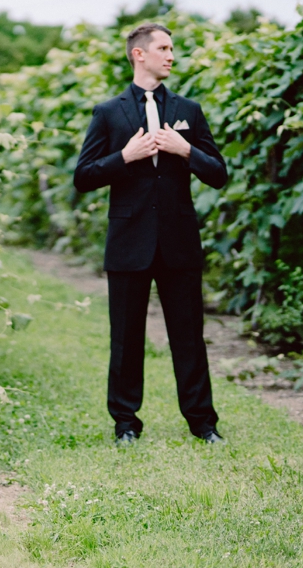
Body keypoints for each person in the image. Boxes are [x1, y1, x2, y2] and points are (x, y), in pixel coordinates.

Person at [73, 23, 228, 446]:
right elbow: (83, 177)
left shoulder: (189, 110)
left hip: (179, 241)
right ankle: (126, 423)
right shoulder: (108, 112)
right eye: (163, 48)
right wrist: (124, 157)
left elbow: (218, 174)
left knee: (189, 335)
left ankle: (203, 423)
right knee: (125, 338)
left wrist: (185, 150)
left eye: (172, 48)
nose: (171, 55)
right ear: (139, 54)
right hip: (128, 243)